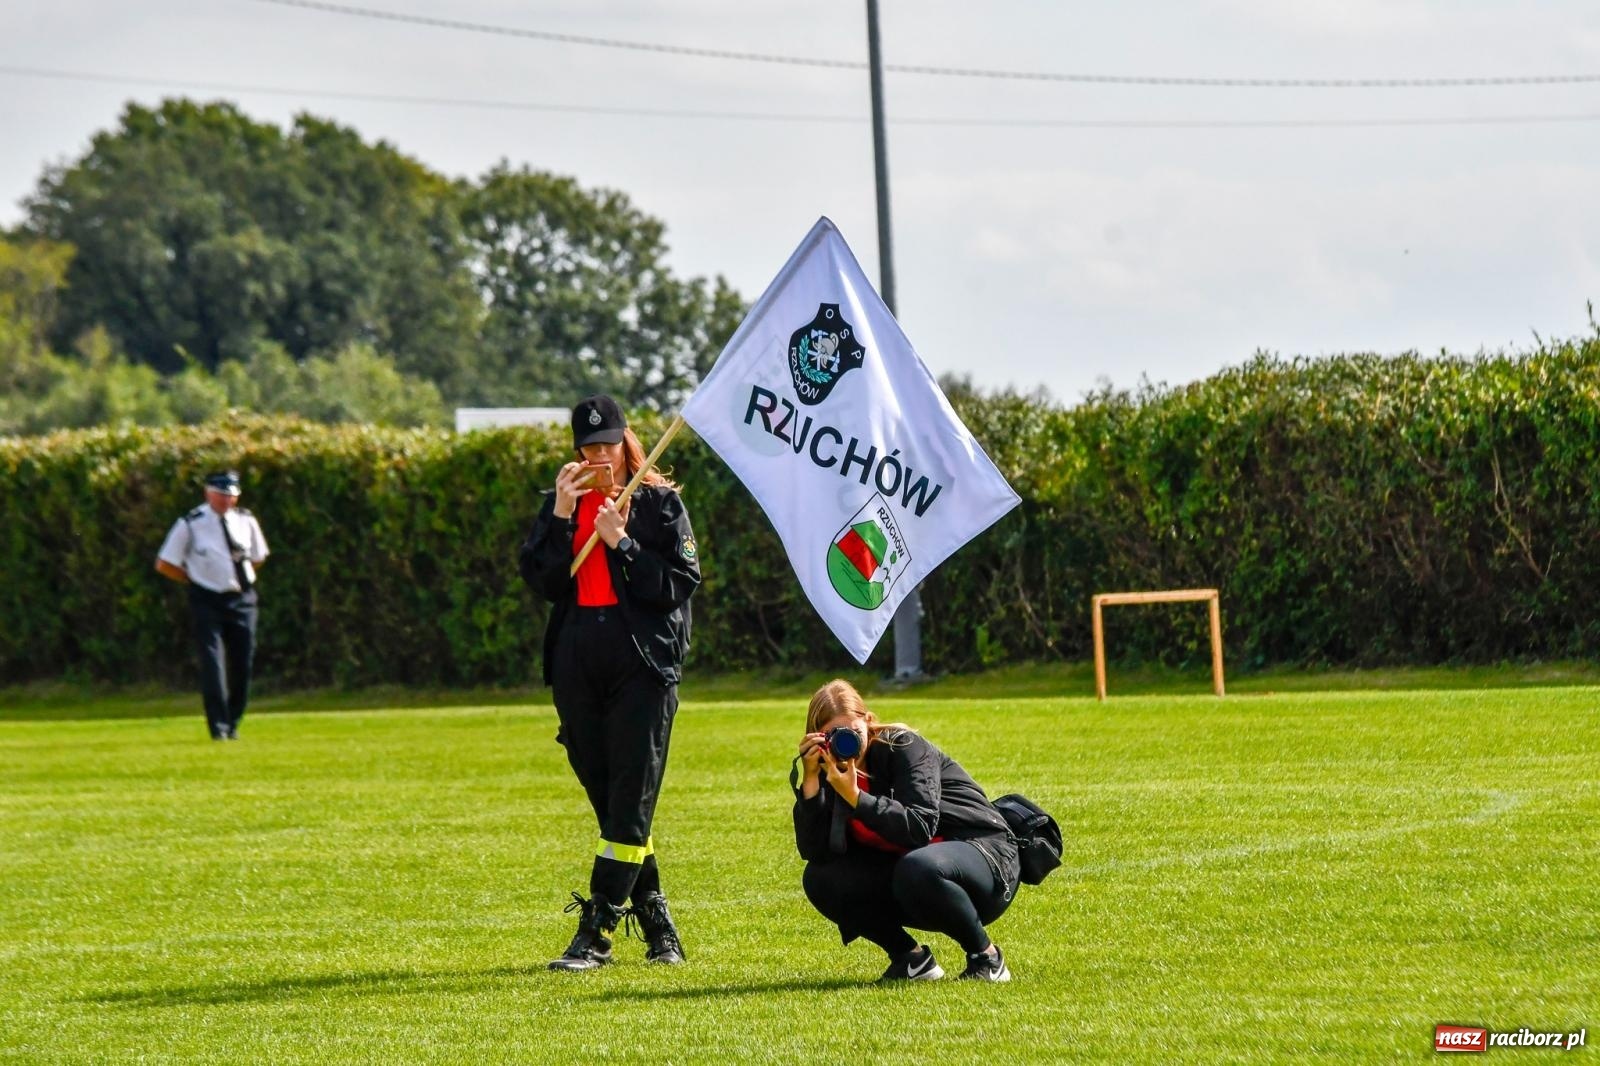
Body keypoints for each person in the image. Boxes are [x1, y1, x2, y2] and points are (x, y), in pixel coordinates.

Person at [519, 394, 701, 972]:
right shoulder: (562, 503)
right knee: (612, 801)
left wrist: (623, 541)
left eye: (608, 444)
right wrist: (560, 516)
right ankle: (657, 920)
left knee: (630, 798)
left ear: (627, 444)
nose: (599, 456)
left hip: (642, 665)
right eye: (588, 447)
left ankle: (595, 932)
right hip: (577, 662)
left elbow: (677, 585)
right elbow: (544, 581)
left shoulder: (659, 504)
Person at [792, 678, 1021, 982]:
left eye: (854, 732)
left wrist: (856, 797)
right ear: (819, 739)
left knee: (916, 867)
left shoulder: (904, 747)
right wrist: (810, 782)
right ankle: (911, 961)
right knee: (820, 879)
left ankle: (987, 958)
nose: (848, 743)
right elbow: (816, 852)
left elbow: (919, 827)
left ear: (868, 721)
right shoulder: (829, 770)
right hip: (914, 875)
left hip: (985, 858)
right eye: (836, 735)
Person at [154, 470, 269, 741]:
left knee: (243, 661)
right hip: (207, 598)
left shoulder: (246, 520)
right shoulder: (191, 523)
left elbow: (258, 557)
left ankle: (233, 720)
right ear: (208, 493)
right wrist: (195, 579)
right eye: (221, 495)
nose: (226, 500)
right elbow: (165, 563)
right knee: (212, 662)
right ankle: (218, 727)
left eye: (231, 496)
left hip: (241, 598)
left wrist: (238, 579)